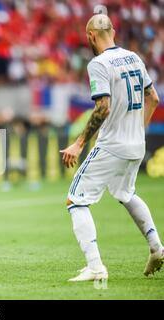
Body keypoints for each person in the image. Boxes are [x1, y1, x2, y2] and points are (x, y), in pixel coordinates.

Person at [60, 14, 163, 282]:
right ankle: (156, 247)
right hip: (136, 144)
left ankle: (95, 266)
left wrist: (79, 143)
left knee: (75, 200)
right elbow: (153, 98)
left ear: (91, 36)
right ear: (113, 31)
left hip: (112, 145)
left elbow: (102, 106)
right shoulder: (134, 57)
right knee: (125, 192)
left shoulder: (98, 64)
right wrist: (137, 130)